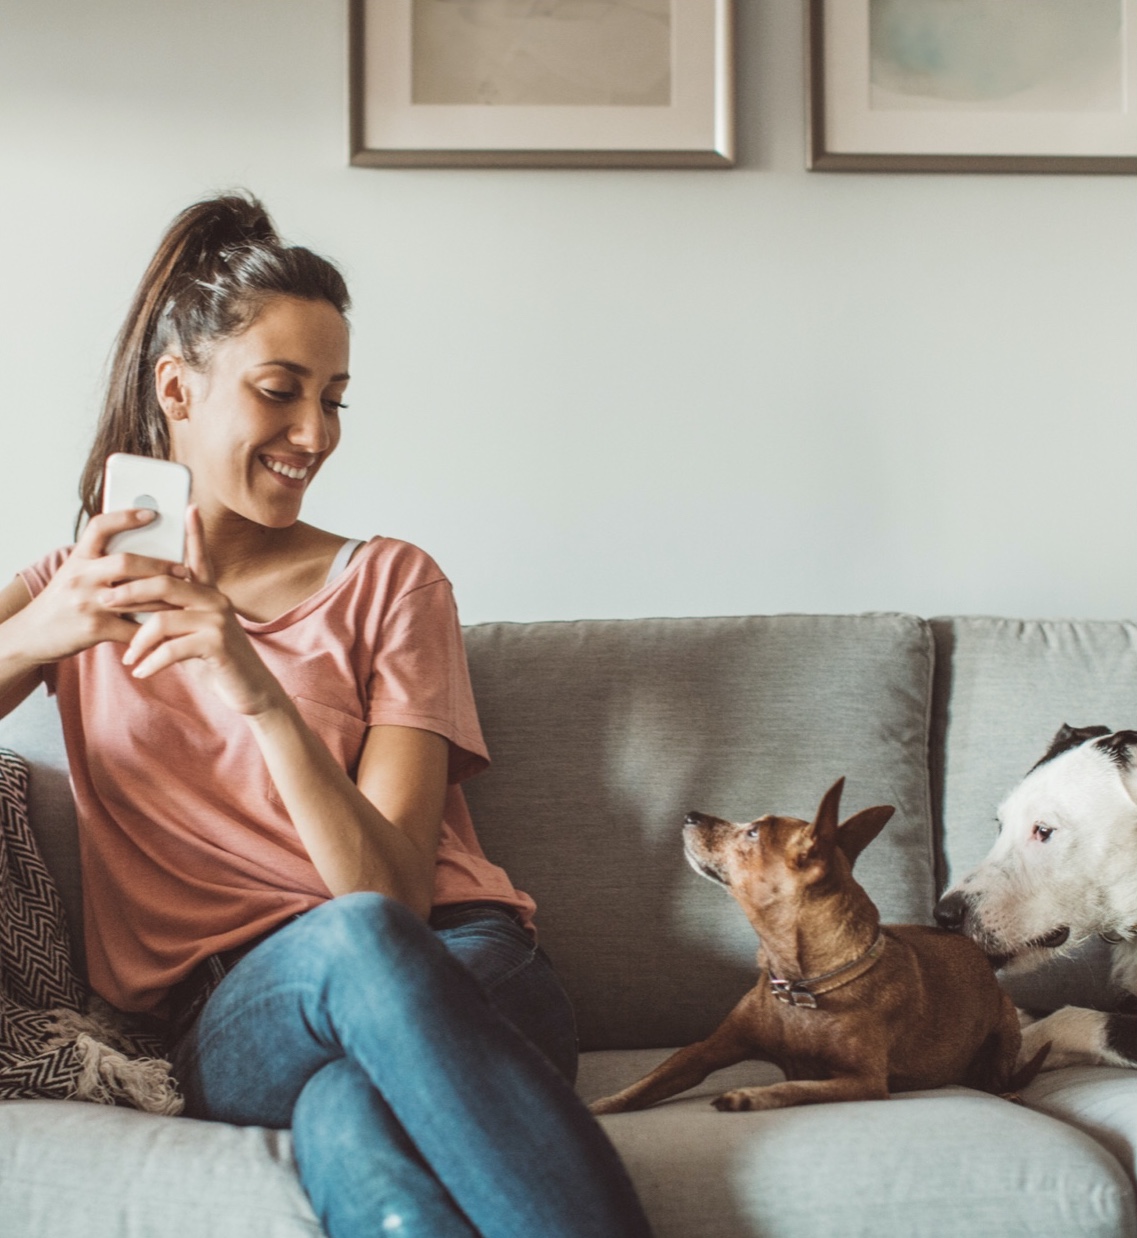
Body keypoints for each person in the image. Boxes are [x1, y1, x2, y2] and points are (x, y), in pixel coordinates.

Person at [0, 193, 654, 1238]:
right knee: (343, 999)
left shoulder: (394, 584)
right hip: (229, 1015)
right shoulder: (76, 588)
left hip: (462, 963)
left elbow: (388, 896)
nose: (316, 434)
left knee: (346, 1103)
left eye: (336, 399)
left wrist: (254, 687)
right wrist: (36, 635)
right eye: (280, 391)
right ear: (178, 387)